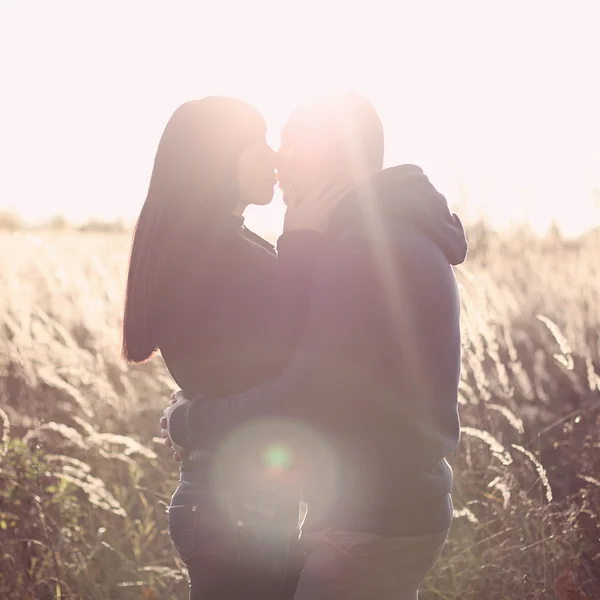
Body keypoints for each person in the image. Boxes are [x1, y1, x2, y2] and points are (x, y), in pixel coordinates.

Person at [163, 92, 468, 600]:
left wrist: (192, 421)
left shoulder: (367, 249)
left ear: (337, 156)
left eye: (291, 144)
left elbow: (303, 394)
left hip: (374, 521)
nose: (279, 161)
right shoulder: (376, 237)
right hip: (382, 510)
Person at [123, 96, 351, 600]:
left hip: (241, 499)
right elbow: (288, 354)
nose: (273, 157)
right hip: (237, 506)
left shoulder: (224, 242)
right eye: (257, 142)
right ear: (219, 157)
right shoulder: (201, 250)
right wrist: (302, 241)